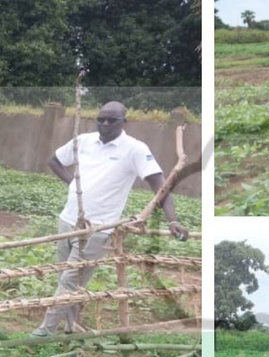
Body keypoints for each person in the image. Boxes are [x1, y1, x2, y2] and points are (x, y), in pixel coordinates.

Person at [30, 101, 188, 338]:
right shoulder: (83, 140)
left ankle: (45, 331)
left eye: (111, 120)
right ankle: (71, 327)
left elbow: (161, 186)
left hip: (98, 229)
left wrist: (172, 220)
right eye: (101, 119)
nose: (105, 124)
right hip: (68, 220)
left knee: (70, 281)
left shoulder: (135, 149)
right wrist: (72, 183)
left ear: (124, 121)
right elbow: (54, 160)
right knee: (66, 278)